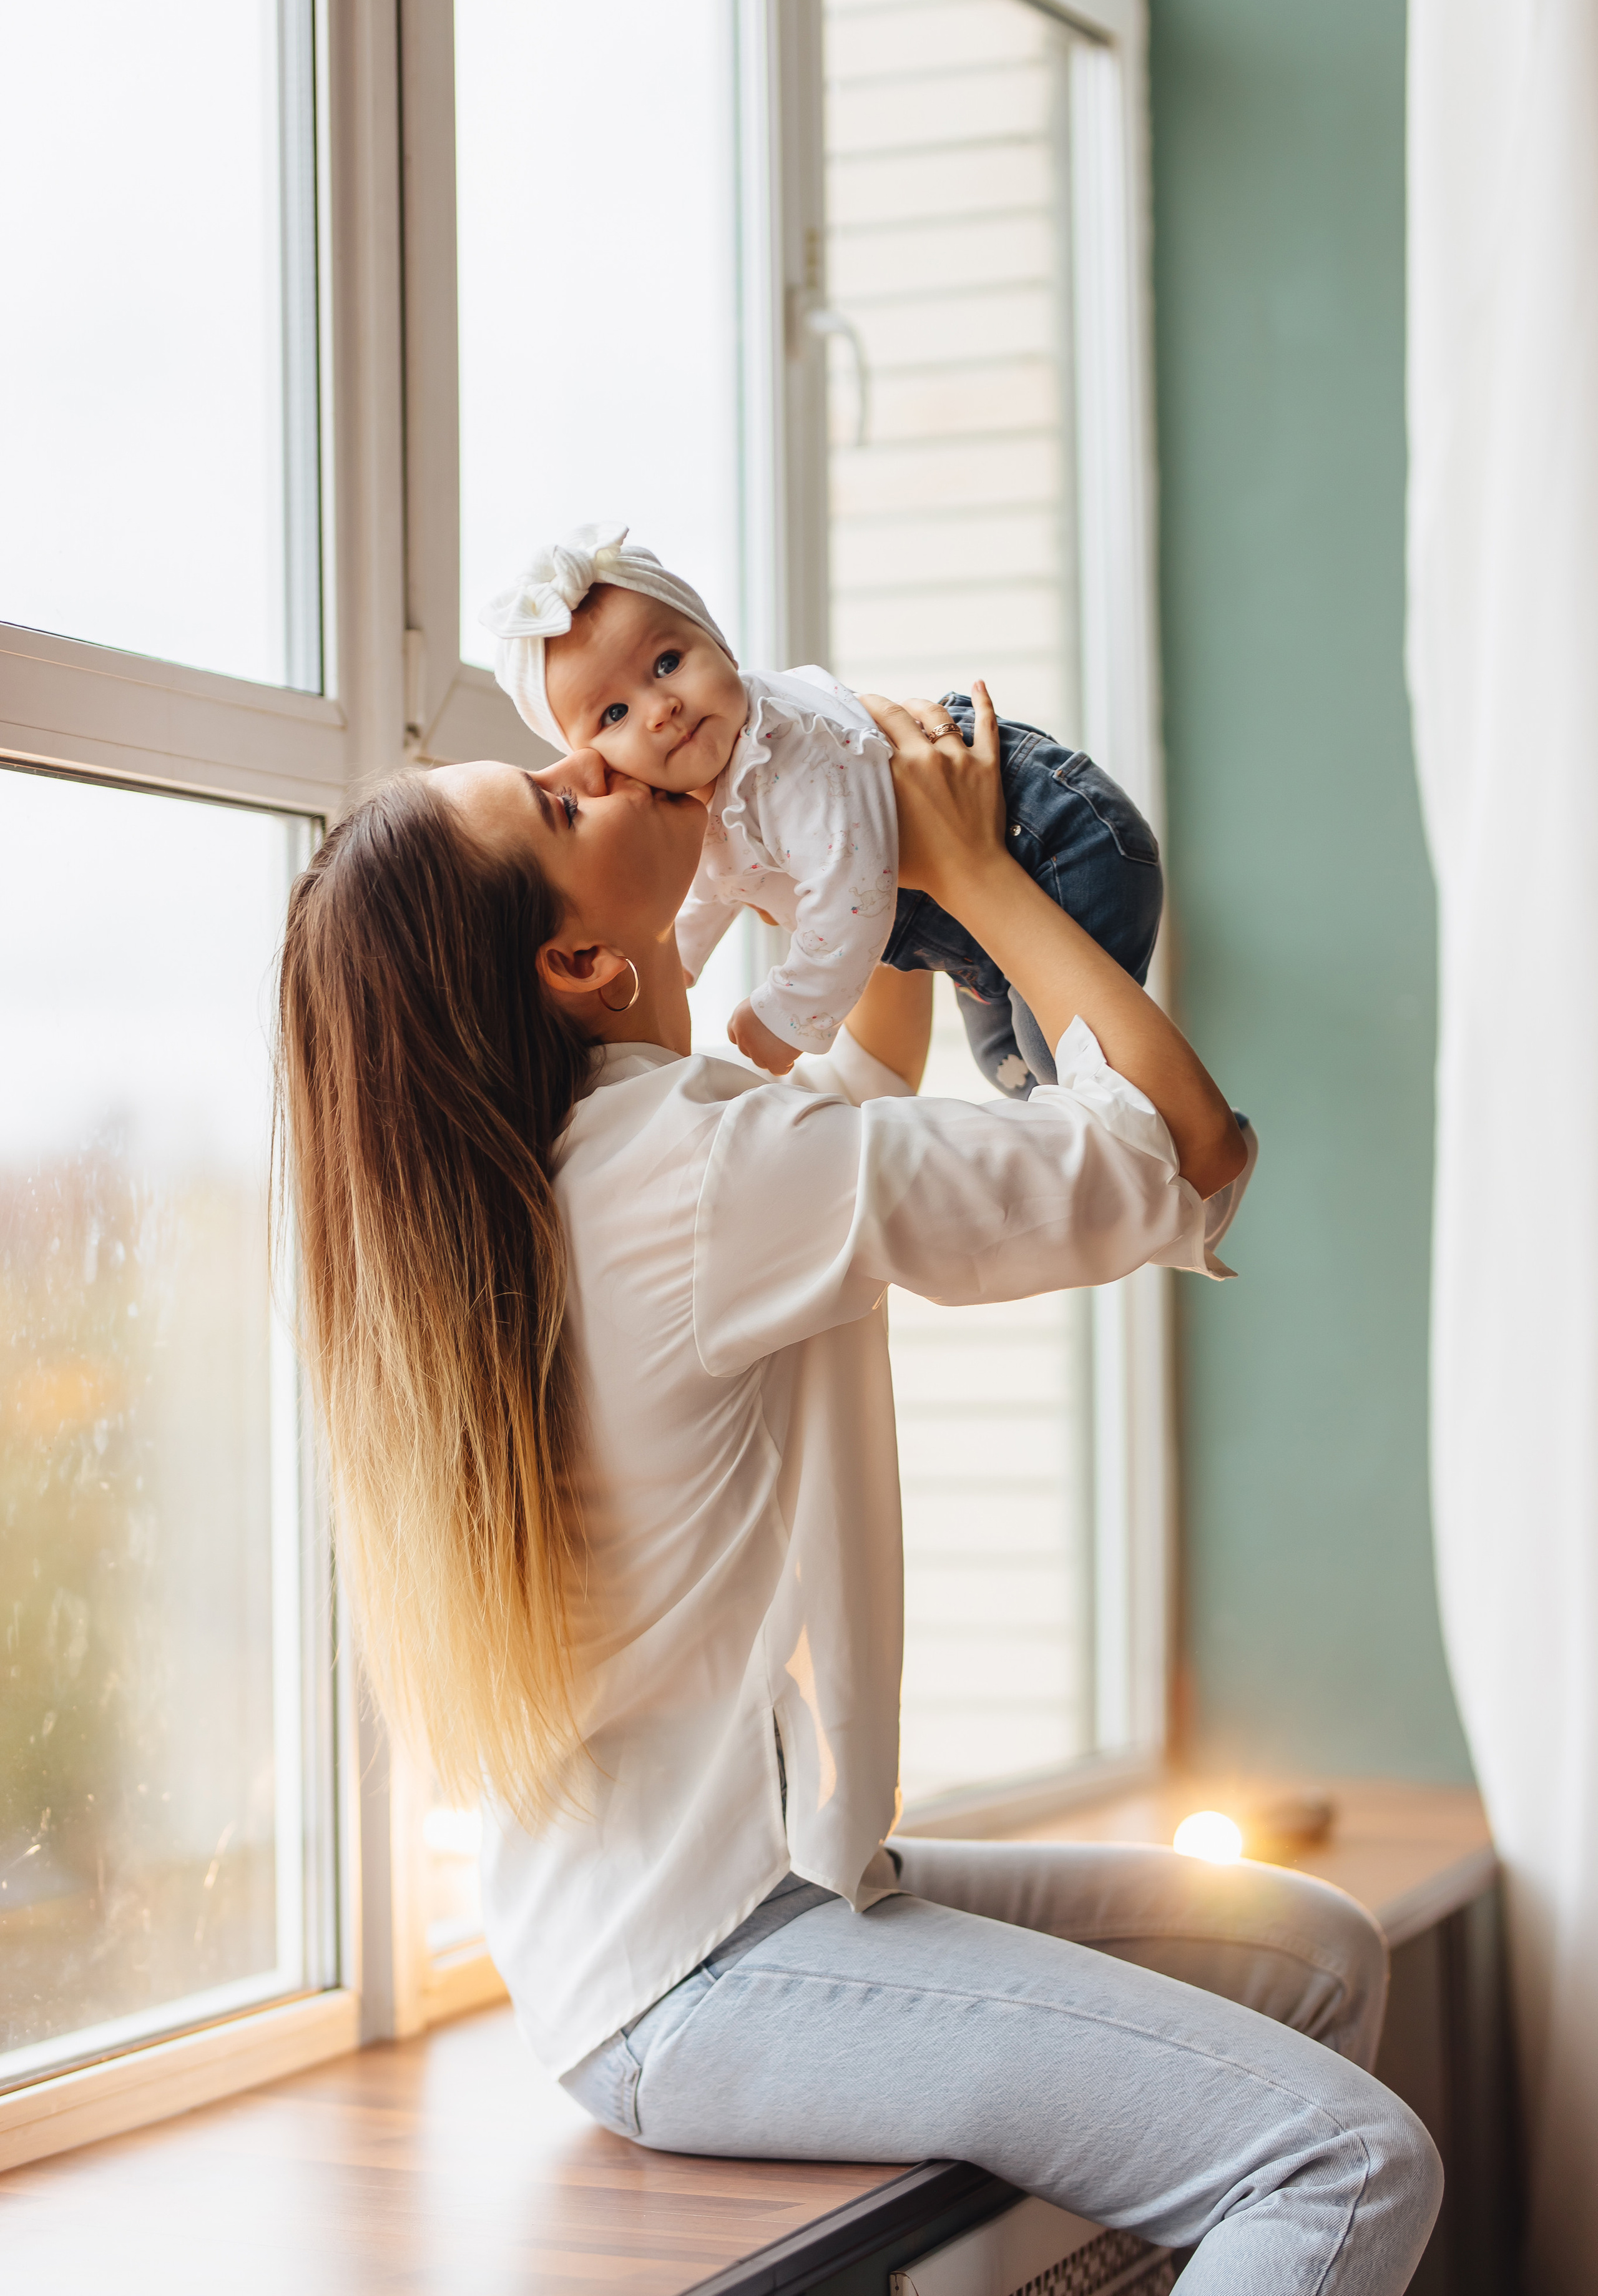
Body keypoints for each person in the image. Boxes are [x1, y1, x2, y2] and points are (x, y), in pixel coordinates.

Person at [274, 689, 1440, 2292]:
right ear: (579, 961)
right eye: (555, 800)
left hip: (708, 1910)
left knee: (1311, 1953)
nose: (597, 753)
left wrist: (869, 859)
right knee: (1346, 2159)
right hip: (699, 1972)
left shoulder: (611, 1159)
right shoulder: (683, 1169)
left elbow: (857, 1108)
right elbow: (1180, 1149)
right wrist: (977, 875)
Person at [478, 521, 1167, 1096]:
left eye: (667, 663)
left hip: (1055, 844)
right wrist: (679, 960)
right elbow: (713, 879)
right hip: (969, 914)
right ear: (590, 757)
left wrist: (788, 1013)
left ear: (720, 644)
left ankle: (1174, 1147)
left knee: (1069, 1072)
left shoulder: (789, 753)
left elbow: (852, 897)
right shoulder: (696, 792)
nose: (661, 708)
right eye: (615, 713)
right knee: (1011, 1069)